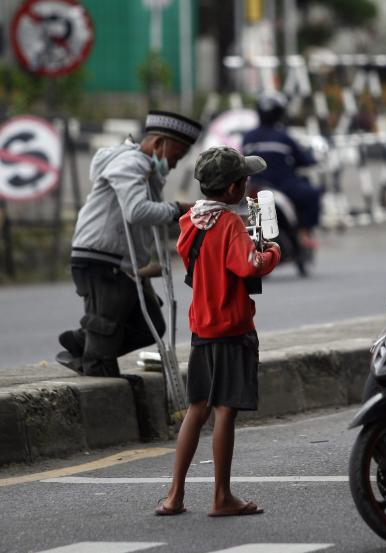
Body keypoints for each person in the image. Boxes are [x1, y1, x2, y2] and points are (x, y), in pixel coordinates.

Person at [155, 146, 280, 517]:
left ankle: (175, 495)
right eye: (243, 180)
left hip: (202, 327)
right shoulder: (229, 224)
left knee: (197, 408)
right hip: (232, 327)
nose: (247, 185)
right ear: (231, 189)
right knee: (225, 410)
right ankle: (221, 496)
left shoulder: (191, 222)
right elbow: (248, 265)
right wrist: (273, 252)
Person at [57, 111, 202, 377]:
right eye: (175, 156)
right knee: (106, 332)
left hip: (121, 262)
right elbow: (136, 211)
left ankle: (81, 343)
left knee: (150, 326)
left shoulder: (146, 168)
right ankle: (93, 360)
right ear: (159, 144)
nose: (173, 165)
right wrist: (178, 209)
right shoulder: (130, 164)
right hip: (101, 258)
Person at [242, 92, 321, 249]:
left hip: (254, 186)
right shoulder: (284, 136)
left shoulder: (248, 137)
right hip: (283, 185)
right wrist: (313, 158)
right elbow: (304, 160)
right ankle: (304, 233)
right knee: (313, 194)